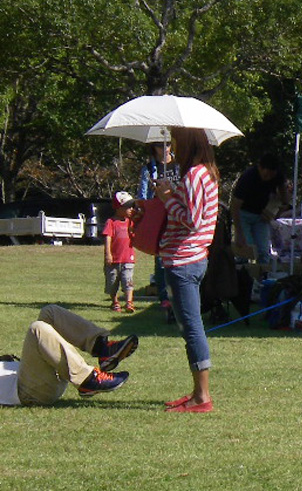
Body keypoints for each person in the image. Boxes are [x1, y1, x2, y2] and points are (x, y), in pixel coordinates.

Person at [154, 126, 219, 412]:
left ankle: (201, 396)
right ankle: (197, 392)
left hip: (183, 259)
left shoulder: (194, 175)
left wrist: (167, 199)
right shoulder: (206, 173)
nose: (173, 147)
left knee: (191, 328)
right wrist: (171, 193)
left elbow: (191, 220)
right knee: (190, 326)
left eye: (176, 141)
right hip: (192, 257)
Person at [1, 305, 139, 406]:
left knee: (50, 313)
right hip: (28, 391)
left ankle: (103, 348)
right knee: (37, 329)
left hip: (27, 374)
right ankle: (88, 380)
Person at [138, 141, 176, 322]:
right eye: (160, 146)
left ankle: (176, 296)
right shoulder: (148, 169)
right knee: (160, 256)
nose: (165, 148)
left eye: (167, 144)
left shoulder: (179, 165)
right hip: (158, 214)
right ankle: (164, 298)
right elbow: (143, 195)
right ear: (154, 148)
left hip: (176, 212)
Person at [230, 153, 287, 266]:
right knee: (246, 249)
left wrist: (276, 210)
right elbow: (235, 206)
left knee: (263, 251)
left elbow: (284, 198)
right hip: (243, 213)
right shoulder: (248, 177)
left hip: (261, 216)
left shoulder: (278, 176)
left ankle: (262, 277)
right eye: (266, 175)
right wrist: (239, 233)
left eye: (271, 176)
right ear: (260, 167)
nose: (268, 178)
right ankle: (244, 277)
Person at [103, 191, 137, 313]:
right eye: (128, 207)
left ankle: (129, 302)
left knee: (128, 281)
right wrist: (108, 254)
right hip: (114, 259)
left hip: (128, 258)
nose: (131, 209)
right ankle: (115, 302)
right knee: (112, 282)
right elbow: (107, 237)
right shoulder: (111, 222)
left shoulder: (130, 222)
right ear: (119, 207)